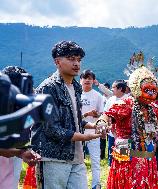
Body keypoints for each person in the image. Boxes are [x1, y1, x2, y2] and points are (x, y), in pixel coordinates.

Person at [97, 66, 158, 189]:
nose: (151, 93)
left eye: (154, 90)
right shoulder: (126, 104)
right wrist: (102, 122)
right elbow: (107, 114)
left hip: (147, 157)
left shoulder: (152, 108)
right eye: (147, 89)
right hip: (126, 155)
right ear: (137, 88)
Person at [31, 41, 102, 189]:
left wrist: (93, 126)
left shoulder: (76, 87)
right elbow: (51, 129)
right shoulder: (48, 88)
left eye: (79, 60)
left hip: (76, 155)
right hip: (53, 157)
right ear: (57, 62)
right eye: (71, 59)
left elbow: (74, 119)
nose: (76, 63)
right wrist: (85, 137)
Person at [80, 69, 104, 189]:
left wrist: (96, 115)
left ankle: (96, 184)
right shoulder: (75, 93)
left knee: (95, 160)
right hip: (77, 134)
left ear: (93, 81)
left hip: (93, 133)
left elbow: (102, 114)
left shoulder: (98, 96)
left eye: (90, 78)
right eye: (85, 78)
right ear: (81, 80)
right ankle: (80, 184)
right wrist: (86, 114)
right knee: (79, 161)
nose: (87, 80)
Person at [103, 79, 129, 166]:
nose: (112, 89)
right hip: (111, 133)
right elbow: (105, 113)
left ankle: (123, 172)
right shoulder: (111, 100)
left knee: (123, 156)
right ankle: (112, 171)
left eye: (113, 87)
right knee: (111, 153)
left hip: (123, 136)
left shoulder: (128, 100)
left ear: (120, 89)